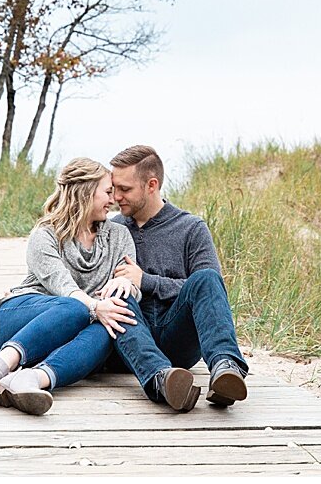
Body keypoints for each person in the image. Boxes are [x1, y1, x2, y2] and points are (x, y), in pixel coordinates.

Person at [0, 158, 140, 415]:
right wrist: (97, 306)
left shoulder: (119, 235)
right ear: (85, 191)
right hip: (19, 320)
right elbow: (64, 287)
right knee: (76, 307)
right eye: (107, 192)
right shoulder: (45, 234)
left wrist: (128, 282)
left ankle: (31, 379)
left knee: (109, 329)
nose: (113, 200)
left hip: (63, 342)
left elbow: (131, 289)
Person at [103, 144, 250, 411]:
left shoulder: (191, 228)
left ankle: (225, 369)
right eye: (114, 188)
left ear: (151, 185)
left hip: (178, 338)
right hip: (132, 338)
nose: (116, 197)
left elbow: (211, 293)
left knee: (205, 277)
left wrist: (146, 280)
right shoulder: (112, 229)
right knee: (116, 293)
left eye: (125, 189)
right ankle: (162, 380)